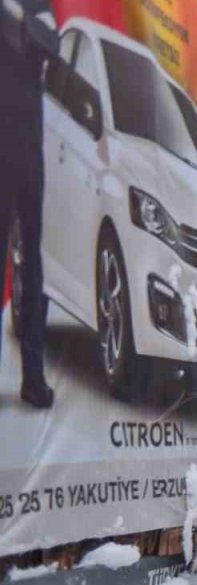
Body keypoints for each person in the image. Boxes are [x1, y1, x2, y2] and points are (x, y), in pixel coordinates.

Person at [0, 0, 55, 408]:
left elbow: (51, 44)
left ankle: (32, 379)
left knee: (32, 268)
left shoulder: (37, 3)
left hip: (29, 154)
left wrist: (18, 16)